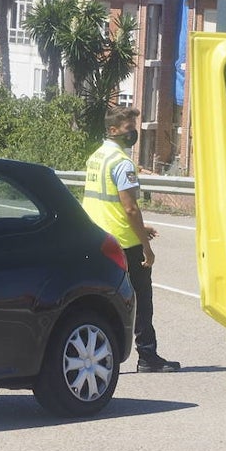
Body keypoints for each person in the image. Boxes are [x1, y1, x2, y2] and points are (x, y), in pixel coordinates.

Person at [83, 106, 181, 373]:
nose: (133, 133)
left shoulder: (96, 157)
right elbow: (129, 208)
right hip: (124, 243)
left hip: (98, 238)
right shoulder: (122, 162)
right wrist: (146, 246)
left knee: (102, 298)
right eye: (129, 128)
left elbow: (108, 204)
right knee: (140, 300)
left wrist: (142, 226)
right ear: (113, 130)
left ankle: (101, 353)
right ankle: (147, 356)